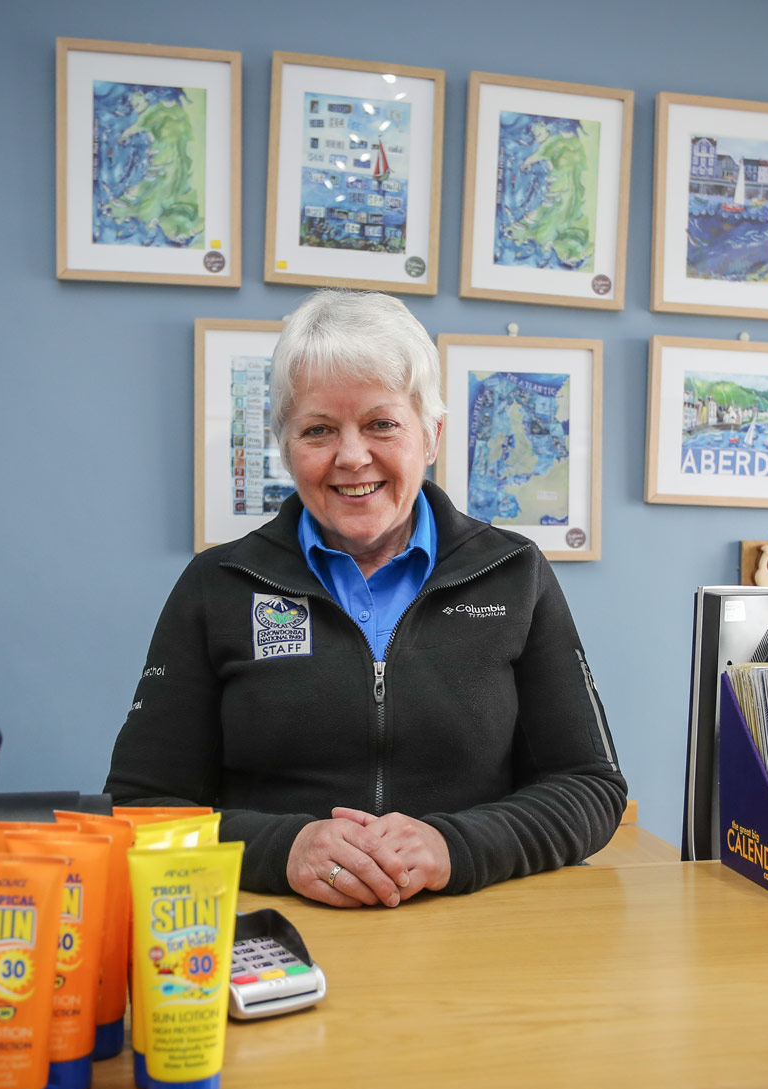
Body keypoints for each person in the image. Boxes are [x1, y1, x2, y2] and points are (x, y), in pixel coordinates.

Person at [106, 288, 626, 907]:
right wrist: (280, 850)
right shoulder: (217, 584)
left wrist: (452, 846)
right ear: (285, 444)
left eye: (382, 423)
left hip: (479, 941)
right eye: (319, 430)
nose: (352, 457)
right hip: (276, 934)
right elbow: (137, 810)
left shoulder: (514, 572)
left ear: (430, 437)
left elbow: (590, 786)